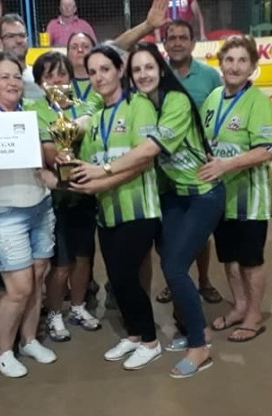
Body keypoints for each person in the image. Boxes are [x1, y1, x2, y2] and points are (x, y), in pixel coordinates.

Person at [71, 42, 222, 377]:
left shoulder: (174, 101)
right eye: (137, 69)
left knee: (174, 266)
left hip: (201, 193)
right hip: (173, 194)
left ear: (161, 68)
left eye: (149, 67)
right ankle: (193, 331)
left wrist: (103, 173)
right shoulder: (138, 102)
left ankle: (200, 347)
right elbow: (98, 98)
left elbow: (149, 150)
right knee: (165, 268)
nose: (143, 74)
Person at [68, 44, 163, 371]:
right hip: (107, 212)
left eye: (104, 69)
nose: (98, 77)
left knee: (125, 276)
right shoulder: (95, 118)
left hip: (138, 209)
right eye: (92, 72)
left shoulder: (139, 106)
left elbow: (142, 159)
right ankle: (134, 334)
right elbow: (92, 162)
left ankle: (151, 340)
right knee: (117, 277)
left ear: (120, 70)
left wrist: (100, 182)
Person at [0, 51, 60, 378]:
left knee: (37, 278)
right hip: (4, 212)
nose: (12, 82)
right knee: (18, 287)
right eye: (4, 76)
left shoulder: (30, 116)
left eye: (16, 77)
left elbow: (42, 159)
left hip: (40, 205)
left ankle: (29, 340)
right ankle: (2, 351)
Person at [197, 35, 272, 343]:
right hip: (220, 197)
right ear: (221, 64)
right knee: (228, 257)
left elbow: (265, 150)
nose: (235, 66)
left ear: (253, 66)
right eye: (230, 60)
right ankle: (240, 306)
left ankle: (254, 316)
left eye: (243, 60)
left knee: (250, 260)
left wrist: (224, 166)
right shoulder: (214, 97)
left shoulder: (259, 101)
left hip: (249, 200)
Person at [25, 51, 102, 341]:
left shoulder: (82, 108)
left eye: (62, 74)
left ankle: (78, 307)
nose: (57, 80)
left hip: (84, 195)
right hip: (54, 200)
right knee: (61, 265)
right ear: (39, 82)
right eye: (49, 75)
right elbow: (47, 153)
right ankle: (55, 313)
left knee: (83, 259)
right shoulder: (33, 109)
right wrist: (56, 155)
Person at [154, 18, 224, 308]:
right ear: (165, 43)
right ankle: (175, 279)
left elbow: (218, 115)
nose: (178, 42)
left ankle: (204, 280)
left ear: (193, 43)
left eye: (184, 37)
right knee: (166, 233)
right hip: (161, 170)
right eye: (172, 38)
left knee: (198, 233)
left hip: (196, 168)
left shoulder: (209, 77)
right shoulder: (155, 74)